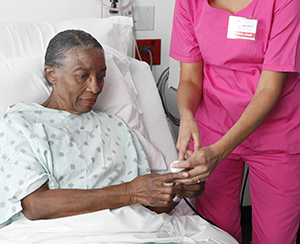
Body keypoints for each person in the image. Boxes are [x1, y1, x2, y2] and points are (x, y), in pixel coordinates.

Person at [0, 29, 238, 244]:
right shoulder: (23, 122)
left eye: (101, 76)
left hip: (139, 229)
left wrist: (176, 191)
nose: (95, 87)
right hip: (64, 232)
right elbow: (35, 205)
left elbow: (148, 208)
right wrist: (130, 192)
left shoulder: (115, 126)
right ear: (52, 74)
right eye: (83, 76)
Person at [154, 0, 300, 244]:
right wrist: (188, 116)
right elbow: (190, 77)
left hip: (275, 135)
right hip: (212, 129)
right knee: (213, 234)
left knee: (276, 238)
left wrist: (220, 150)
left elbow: (269, 89)